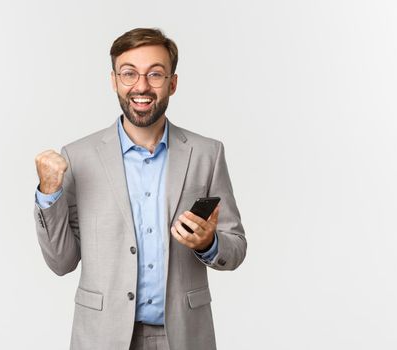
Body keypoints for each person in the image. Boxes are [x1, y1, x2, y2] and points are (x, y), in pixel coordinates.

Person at [33, 27, 247, 350]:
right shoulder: (77, 157)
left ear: (172, 83)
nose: (141, 86)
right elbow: (62, 262)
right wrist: (49, 193)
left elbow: (236, 246)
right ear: (114, 80)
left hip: (184, 336)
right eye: (129, 73)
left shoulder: (207, 154)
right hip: (102, 336)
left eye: (155, 74)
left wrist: (209, 243)